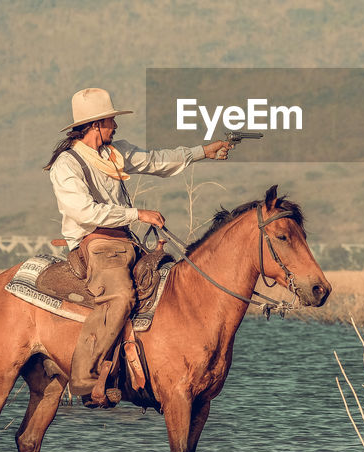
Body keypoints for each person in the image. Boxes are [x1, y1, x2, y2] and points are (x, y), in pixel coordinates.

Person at [44, 87, 233, 406]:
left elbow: (156, 161)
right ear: (94, 125)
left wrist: (204, 151)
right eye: (110, 121)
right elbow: (84, 211)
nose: (115, 126)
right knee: (122, 295)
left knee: (170, 281)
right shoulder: (67, 165)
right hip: (94, 244)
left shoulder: (114, 154)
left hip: (123, 241)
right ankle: (86, 377)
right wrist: (137, 213)